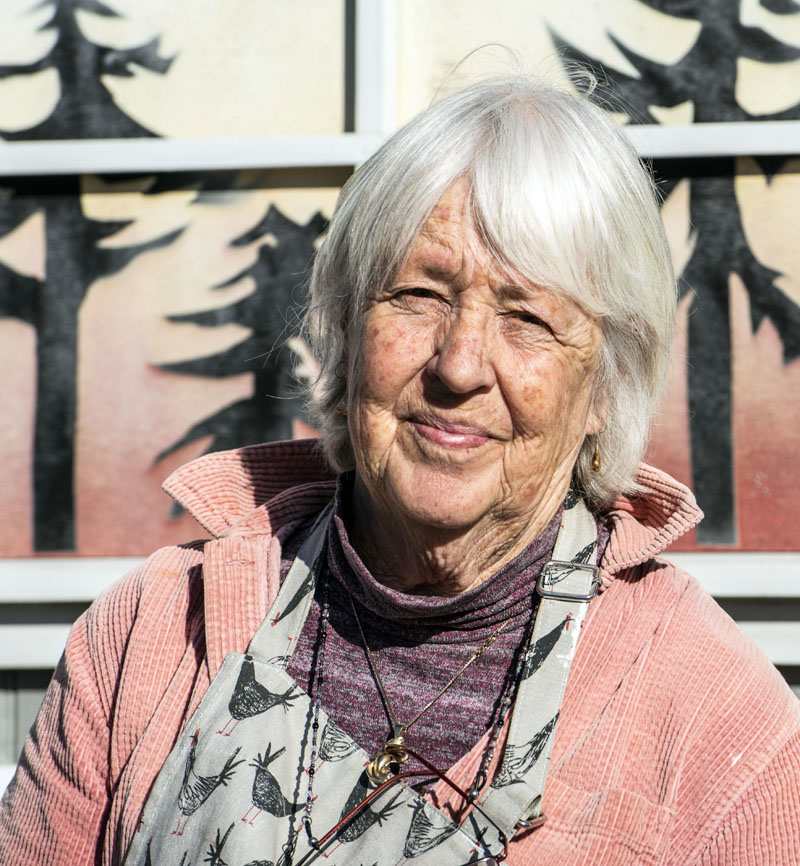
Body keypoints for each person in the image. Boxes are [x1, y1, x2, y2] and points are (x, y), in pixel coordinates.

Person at [2, 75, 799, 866]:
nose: (458, 366)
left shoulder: (724, 733)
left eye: (527, 317)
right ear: (348, 332)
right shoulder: (148, 637)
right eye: (419, 293)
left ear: (606, 384)